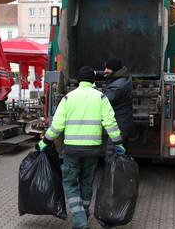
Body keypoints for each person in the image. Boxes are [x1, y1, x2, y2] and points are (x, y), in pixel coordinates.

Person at [38, 66, 125, 229]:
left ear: (78, 80)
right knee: (87, 183)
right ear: (93, 81)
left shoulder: (68, 98)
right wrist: (118, 143)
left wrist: (45, 142)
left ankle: (79, 218)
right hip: (92, 151)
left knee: (70, 183)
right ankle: (83, 213)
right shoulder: (100, 97)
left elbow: (56, 125)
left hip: (72, 150)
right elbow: (110, 123)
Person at [103, 58, 134, 145]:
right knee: (118, 152)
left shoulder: (116, 87)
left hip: (118, 125)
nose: (105, 71)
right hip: (123, 123)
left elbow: (104, 102)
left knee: (112, 153)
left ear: (115, 70)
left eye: (108, 68)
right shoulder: (124, 78)